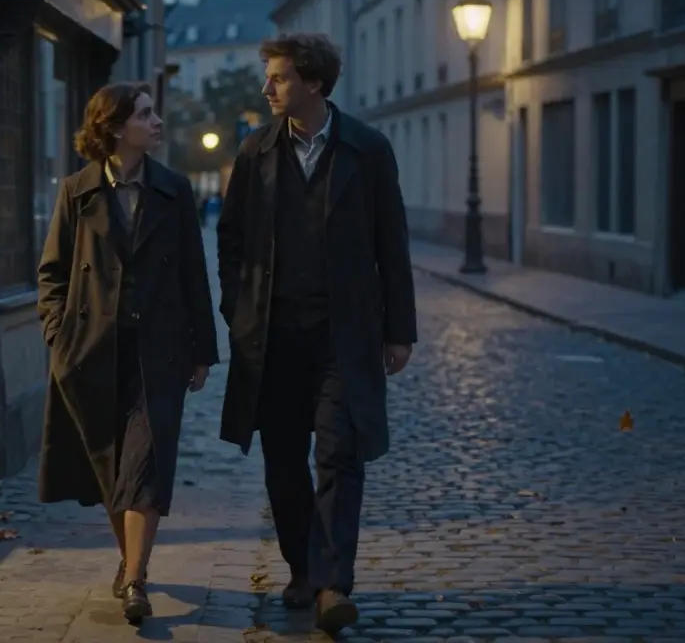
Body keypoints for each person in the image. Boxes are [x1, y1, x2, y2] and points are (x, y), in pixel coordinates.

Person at [215, 33, 418, 634]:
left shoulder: (368, 150)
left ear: (314, 84)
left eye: (278, 78)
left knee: (339, 453)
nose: (267, 87)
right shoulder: (255, 152)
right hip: (273, 334)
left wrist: (399, 330)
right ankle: (302, 567)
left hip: (344, 332)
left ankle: (332, 584)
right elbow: (230, 238)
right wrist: (237, 308)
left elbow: (392, 242)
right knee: (283, 458)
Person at [36, 81, 219, 624]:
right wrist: (57, 332)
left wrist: (203, 351)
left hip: (159, 351)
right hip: (92, 351)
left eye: (155, 112)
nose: (157, 121)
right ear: (116, 128)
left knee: (146, 463)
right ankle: (130, 560)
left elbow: (192, 273)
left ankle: (135, 579)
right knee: (111, 467)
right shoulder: (77, 191)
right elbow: (52, 273)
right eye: (145, 114)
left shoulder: (174, 190)